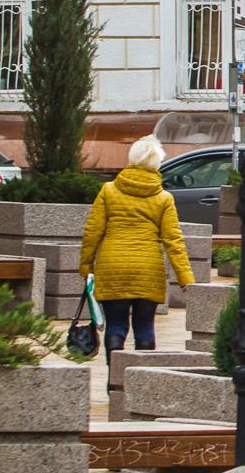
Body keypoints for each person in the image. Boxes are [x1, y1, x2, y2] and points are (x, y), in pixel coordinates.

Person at [80, 135, 195, 364]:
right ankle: (140, 380)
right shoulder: (163, 198)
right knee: (144, 327)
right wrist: (185, 277)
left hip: (113, 266)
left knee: (116, 325)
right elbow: (174, 240)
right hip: (147, 269)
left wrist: (85, 265)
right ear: (157, 163)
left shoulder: (109, 191)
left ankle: (114, 381)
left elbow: (93, 231)